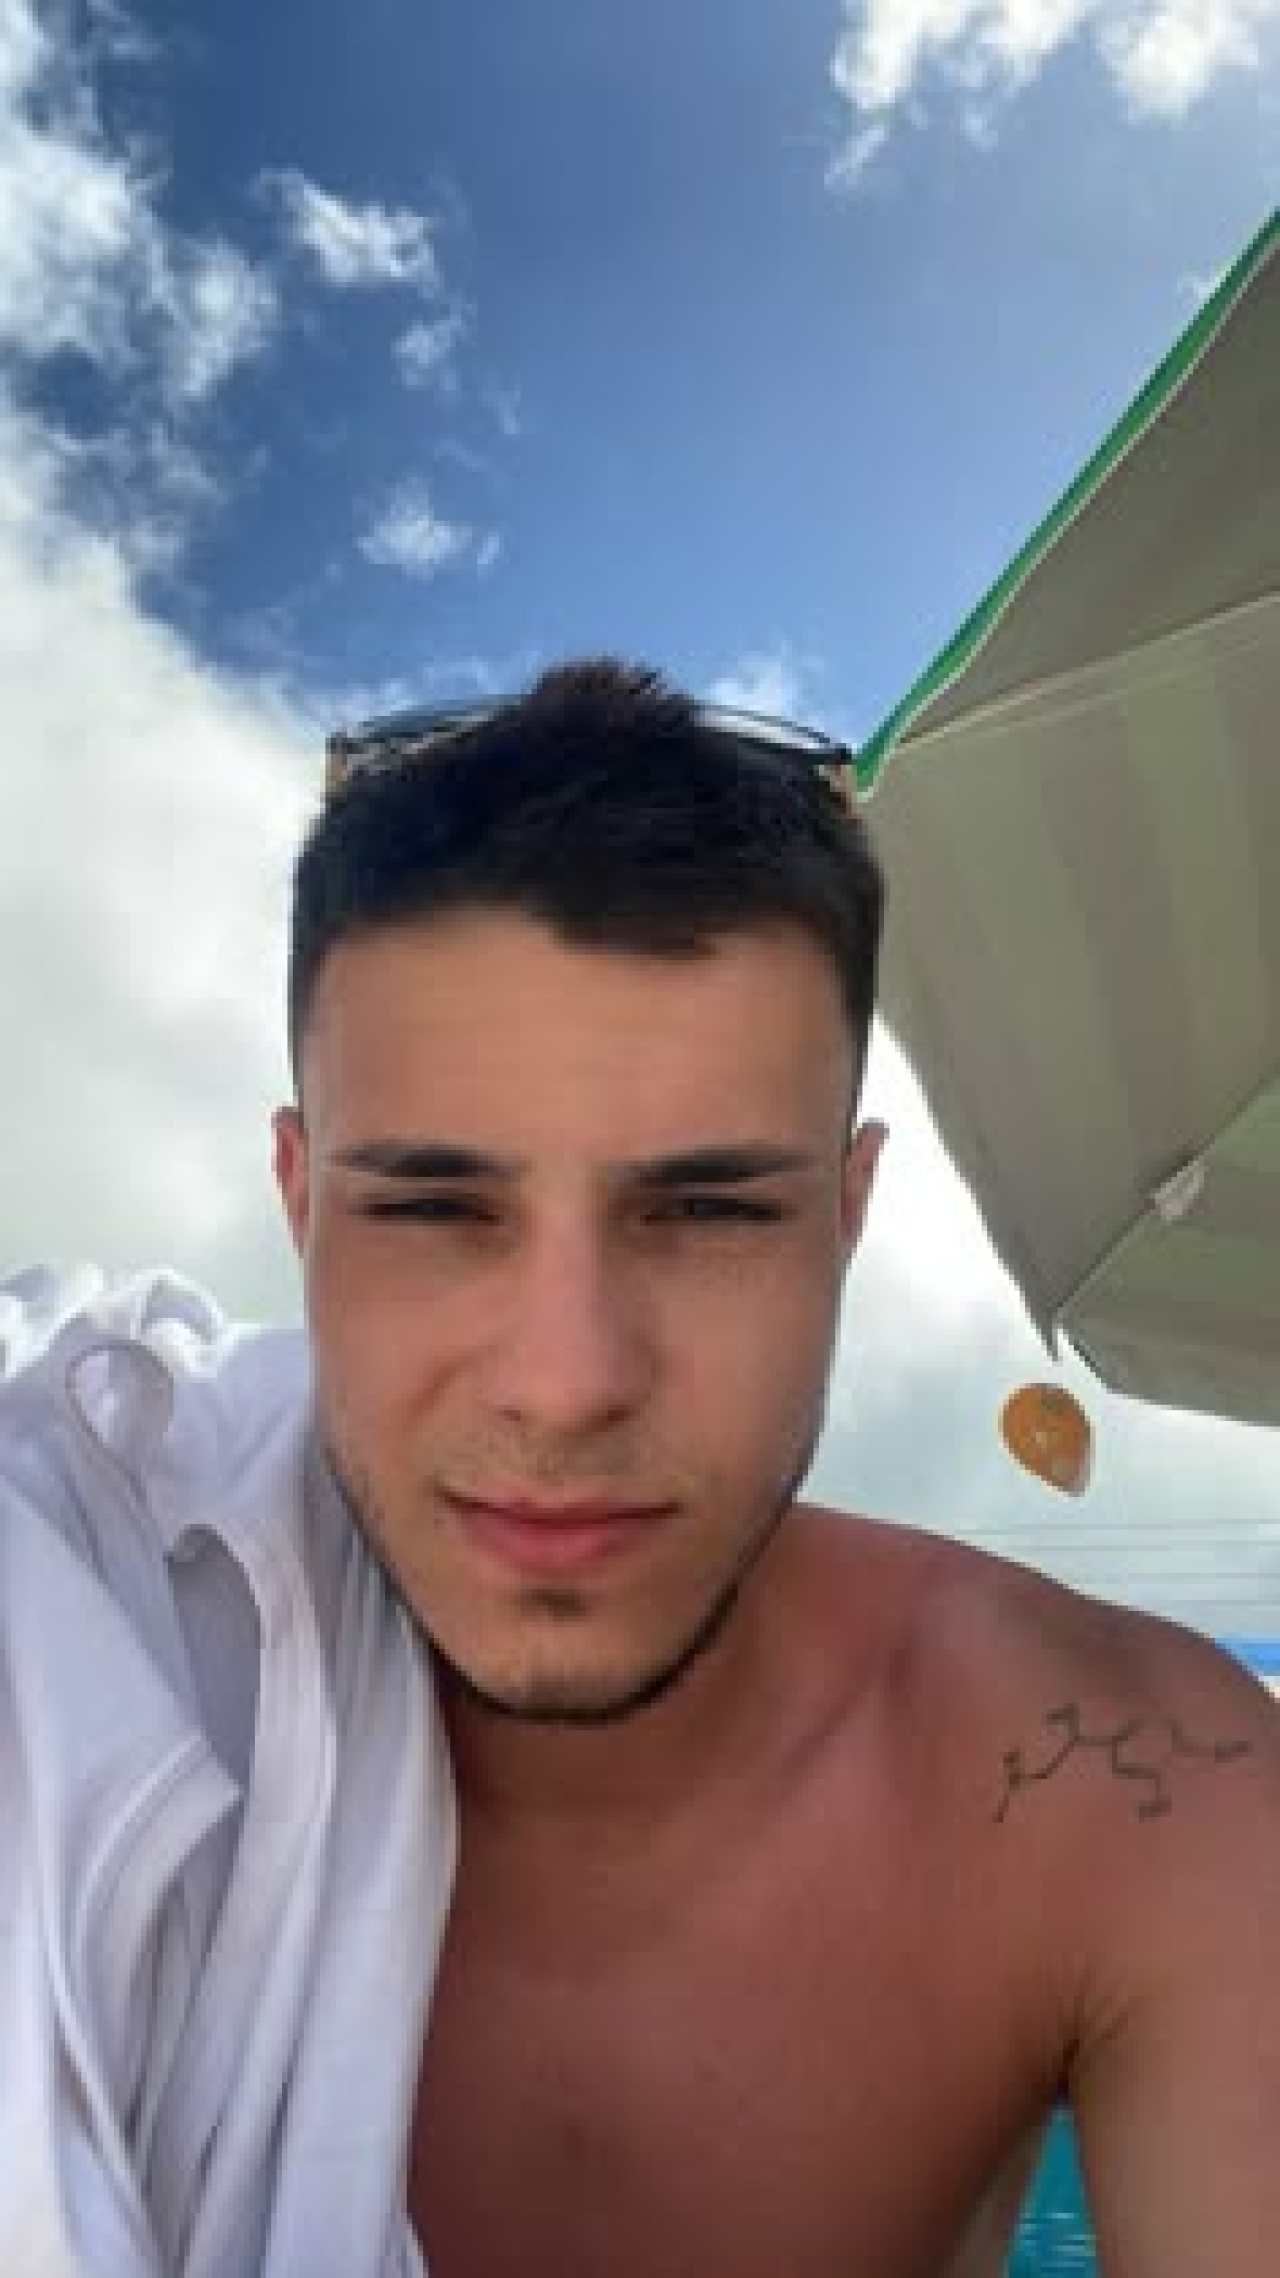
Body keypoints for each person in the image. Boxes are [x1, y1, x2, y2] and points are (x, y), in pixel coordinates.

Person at [3, 661, 1277, 2277]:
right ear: (299, 1198)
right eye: (434, 1209)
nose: (567, 1382)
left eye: (709, 1211)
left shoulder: (1132, 1783)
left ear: (846, 1214)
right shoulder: (85, 1606)